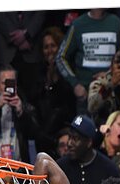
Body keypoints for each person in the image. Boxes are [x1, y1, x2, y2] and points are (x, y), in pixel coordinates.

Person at [57, 8, 120, 114]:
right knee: (82, 129)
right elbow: (60, 57)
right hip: (85, 95)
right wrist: (75, 84)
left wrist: (109, 75)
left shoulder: (115, 22)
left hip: (111, 93)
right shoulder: (78, 24)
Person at [0, 65, 39, 163]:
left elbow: (35, 134)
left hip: (18, 169)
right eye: (4, 83)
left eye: (11, 83)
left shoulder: (25, 108)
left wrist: (21, 111)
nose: (8, 87)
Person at [32, 27, 76, 157]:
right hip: (44, 128)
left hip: (63, 125)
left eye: (53, 46)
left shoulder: (67, 72)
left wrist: (55, 77)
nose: (49, 51)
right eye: (46, 47)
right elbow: (35, 97)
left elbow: (66, 100)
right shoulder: (39, 73)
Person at [0, 10, 46, 104]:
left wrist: (28, 34)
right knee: (5, 97)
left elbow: (42, 11)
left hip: (32, 49)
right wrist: (16, 37)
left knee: (33, 98)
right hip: (5, 50)